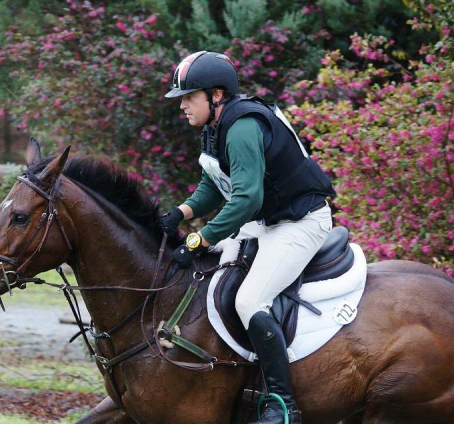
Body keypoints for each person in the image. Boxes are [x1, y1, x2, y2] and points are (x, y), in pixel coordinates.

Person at [161, 51, 336, 424]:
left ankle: (282, 404)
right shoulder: (215, 129)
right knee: (210, 278)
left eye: (189, 98)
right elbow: (211, 188)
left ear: (216, 95)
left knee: (249, 299)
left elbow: (246, 198)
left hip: (301, 222)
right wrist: (180, 213)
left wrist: (202, 239)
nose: (183, 107)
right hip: (268, 222)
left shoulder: (242, 127)